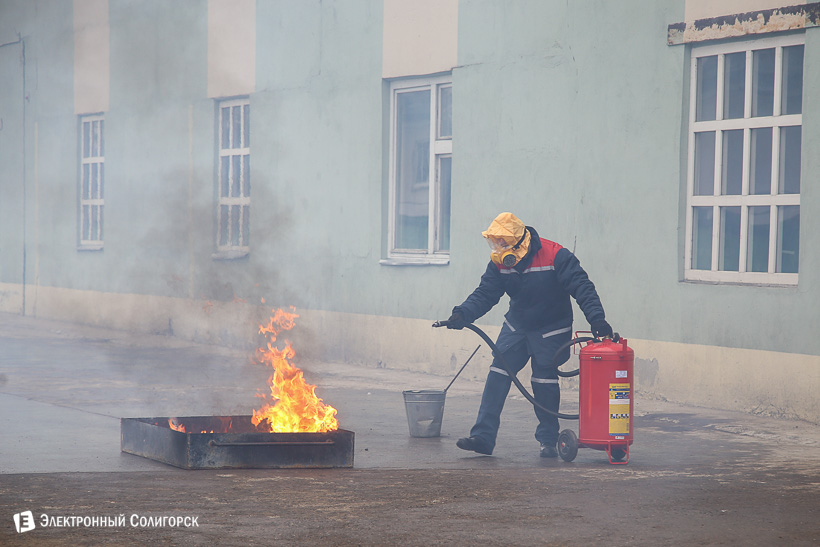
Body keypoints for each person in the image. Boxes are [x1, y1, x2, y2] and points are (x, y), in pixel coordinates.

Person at [446, 212, 612, 458]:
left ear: (518, 242)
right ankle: (483, 437)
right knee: (498, 373)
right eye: (495, 243)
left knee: (543, 380)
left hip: (551, 327)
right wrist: (463, 314)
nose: (498, 248)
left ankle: (548, 440)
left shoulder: (556, 255)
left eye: (502, 242)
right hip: (517, 326)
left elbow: (582, 287)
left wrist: (597, 319)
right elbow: (485, 294)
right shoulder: (501, 262)